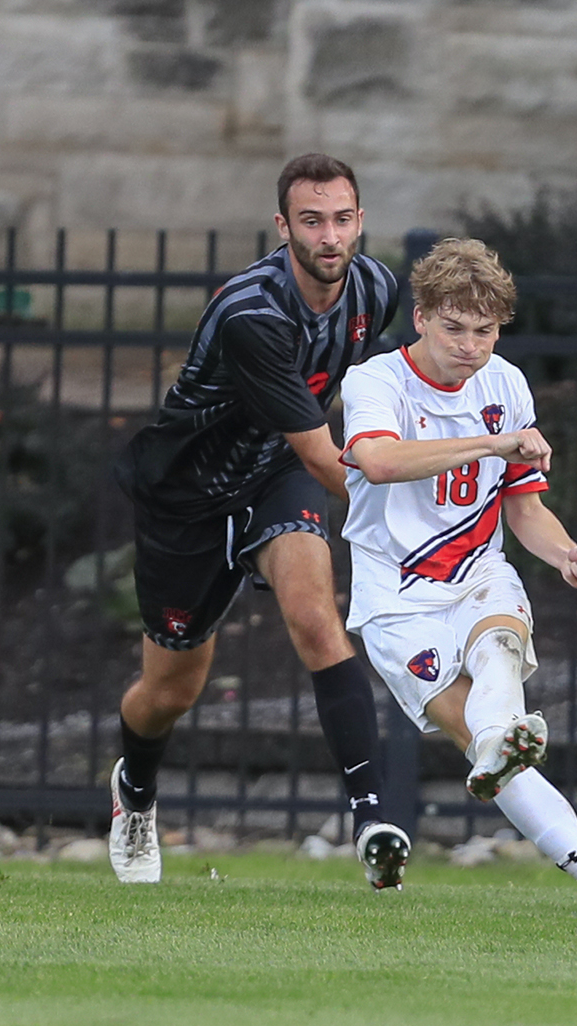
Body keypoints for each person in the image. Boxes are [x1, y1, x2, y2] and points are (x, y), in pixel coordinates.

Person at [110, 153, 410, 888]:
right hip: (189, 496)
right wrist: (421, 520)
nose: (330, 236)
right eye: (312, 221)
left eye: (342, 219)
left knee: (316, 618)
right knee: (171, 691)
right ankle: (136, 792)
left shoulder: (376, 287)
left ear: (360, 221)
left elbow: (370, 397)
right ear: (284, 227)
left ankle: (371, 818)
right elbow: (323, 457)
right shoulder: (253, 313)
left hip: (272, 478)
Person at [338, 237, 577, 915]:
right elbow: (379, 463)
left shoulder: (506, 384)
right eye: (454, 328)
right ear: (420, 317)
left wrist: (566, 552)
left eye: (486, 330)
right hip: (395, 597)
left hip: (479, 574)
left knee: (499, 656)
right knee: (480, 739)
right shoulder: (376, 381)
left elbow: (524, 509)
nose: (471, 346)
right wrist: (491, 442)